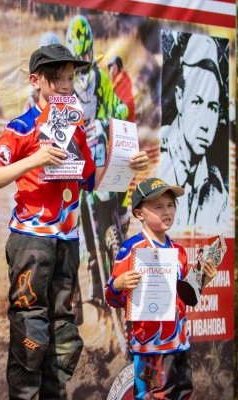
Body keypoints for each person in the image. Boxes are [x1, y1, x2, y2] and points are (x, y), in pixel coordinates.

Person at [0, 43, 149, 399]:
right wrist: (35, 159)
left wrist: (126, 166)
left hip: (67, 241)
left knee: (63, 335)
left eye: (70, 78)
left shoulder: (76, 129)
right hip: (31, 240)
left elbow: (92, 179)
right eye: (56, 78)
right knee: (30, 330)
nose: (64, 85)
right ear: (35, 81)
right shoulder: (22, 126)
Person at [104, 177, 217, 399]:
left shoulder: (178, 251)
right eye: (158, 207)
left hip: (180, 343)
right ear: (139, 213)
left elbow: (185, 295)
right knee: (154, 396)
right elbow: (111, 297)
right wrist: (119, 284)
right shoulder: (131, 249)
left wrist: (203, 280)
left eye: (170, 205)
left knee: (182, 394)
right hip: (150, 347)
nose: (167, 212)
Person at [66, 14, 131, 306]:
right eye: (79, 57)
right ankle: (84, 287)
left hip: (100, 152)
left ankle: (122, 219)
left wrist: (110, 116)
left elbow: (116, 105)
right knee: (73, 221)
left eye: (88, 54)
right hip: (75, 159)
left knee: (120, 180)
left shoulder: (100, 77)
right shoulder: (64, 84)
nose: (85, 60)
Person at [157, 32, 230, 230]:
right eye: (197, 102)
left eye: (212, 107)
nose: (205, 124)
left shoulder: (217, 190)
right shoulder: (155, 158)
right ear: (179, 98)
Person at [107, 55, 135, 123]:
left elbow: (127, 101)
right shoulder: (113, 81)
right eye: (111, 67)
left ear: (119, 67)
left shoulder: (122, 78)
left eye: (114, 67)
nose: (112, 70)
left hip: (125, 116)